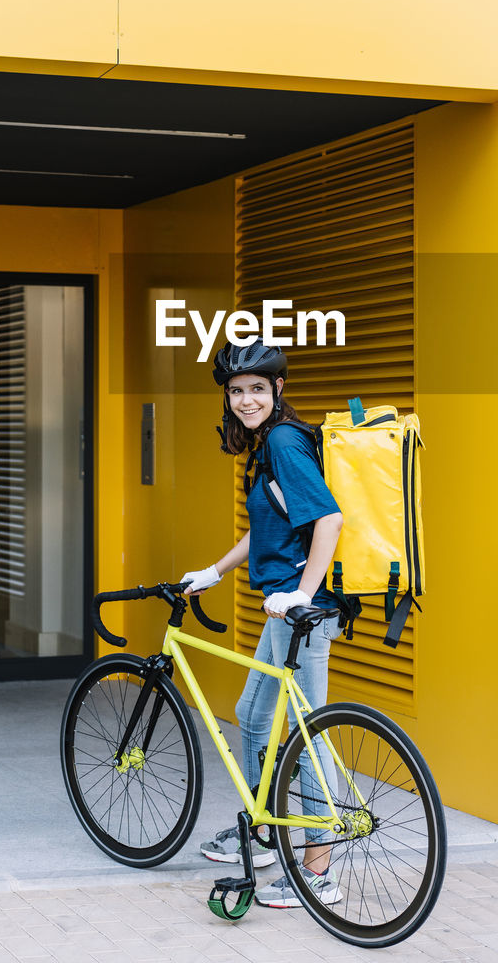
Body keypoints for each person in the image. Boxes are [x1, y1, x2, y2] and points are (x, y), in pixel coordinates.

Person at [180, 341, 345, 909]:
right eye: (236, 390)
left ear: (277, 390)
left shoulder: (282, 440)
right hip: (285, 604)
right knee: (252, 715)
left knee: (308, 732)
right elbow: (272, 526)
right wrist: (216, 570)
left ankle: (318, 870)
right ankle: (264, 830)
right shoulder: (267, 446)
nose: (246, 399)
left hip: (304, 609)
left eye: (257, 388)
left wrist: (301, 593)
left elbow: (328, 518)